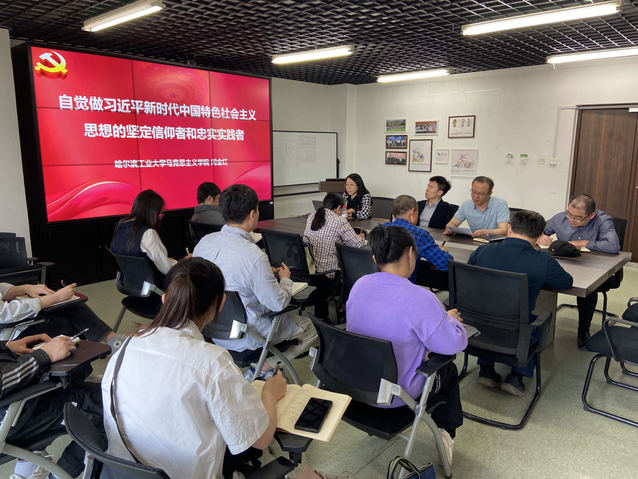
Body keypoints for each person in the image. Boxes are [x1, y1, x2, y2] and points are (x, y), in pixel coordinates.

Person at [101, 257, 288, 478]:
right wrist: (269, 393)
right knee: (273, 445)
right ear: (221, 303)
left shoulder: (126, 346)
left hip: (123, 471)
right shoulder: (212, 362)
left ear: (164, 299)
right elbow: (260, 439)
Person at [346, 225, 467, 466]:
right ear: (411, 253)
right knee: (448, 369)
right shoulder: (421, 298)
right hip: (396, 397)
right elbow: (453, 344)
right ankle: (445, 435)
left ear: (374, 258)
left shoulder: (360, 285)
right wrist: (448, 320)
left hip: (357, 387)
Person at [193, 185, 317, 372]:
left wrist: (264, 273)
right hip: (248, 335)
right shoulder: (253, 256)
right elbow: (277, 303)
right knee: (312, 330)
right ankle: (266, 367)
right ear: (252, 214)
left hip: (212, 328)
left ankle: (264, 368)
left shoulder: (204, 243)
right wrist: (285, 279)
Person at [468, 210, 573, 395]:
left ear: (509, 228)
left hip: (476, 322)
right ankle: (516, 377)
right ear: (539, 236)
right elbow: (566, 282)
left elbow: (470, 273)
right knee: (537, 322)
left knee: (491, 311)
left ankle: (486, 370)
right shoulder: (542, 260)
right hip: (515, 327)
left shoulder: (483, 250)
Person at [3, 334, 103, 479]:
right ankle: (58, 475)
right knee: (110, 407)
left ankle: (26, 470)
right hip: (13, 413)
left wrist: (6, 347)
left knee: (76, 369)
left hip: (13, 405)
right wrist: (43, 355)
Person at [538, 194, 620, 348]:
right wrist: (540, 236)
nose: (571, 220)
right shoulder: (561, 217)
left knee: (589, 288)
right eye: (569, 214)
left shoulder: (603, 220)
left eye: (578, 218)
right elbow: (537, 231)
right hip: (565, 264)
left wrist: (583, 243)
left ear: (591, 215)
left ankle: (583, 329)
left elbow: (613, 246)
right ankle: (540, 326)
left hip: (595, 267)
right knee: (537, 277)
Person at [1, 281, 123, 349]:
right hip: (9, 332)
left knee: (72, 305)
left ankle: (113, 340)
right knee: (71, 324)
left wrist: (26, 288)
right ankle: (113, 342)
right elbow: (4, 313)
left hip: (12, 321)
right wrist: (55, 298)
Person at [303, 193, 365, 319]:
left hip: (309, 270)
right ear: (338, 208)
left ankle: (322, 316)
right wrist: (362, 237)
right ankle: (344, 311)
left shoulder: (312, 216)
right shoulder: (339, 221)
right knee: (349, 276)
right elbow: (358, 244)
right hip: (328, 275)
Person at [110, 189, 178, 281]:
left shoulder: (120, 226)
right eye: (159, 214)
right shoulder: (148, 234)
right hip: (153, 283)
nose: (160, 218)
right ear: (151, 213)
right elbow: (166, 269)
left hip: (129, 281)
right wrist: (180, 262)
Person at [384, 195, 453, 284]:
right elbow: (445, 263)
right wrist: (442, 251)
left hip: (377, 285)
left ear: (393, 213)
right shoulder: (419, 235)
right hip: (405, 287)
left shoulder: (380, 229)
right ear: (412, 212)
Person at [444, 176, 509, 237]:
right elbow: (453, 223)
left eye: (481, 194)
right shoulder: (466, 205)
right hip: (474, 241)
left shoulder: (500, 204)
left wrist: (485, 232)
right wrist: (449, 228)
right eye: (473, 192)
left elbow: (504, 230)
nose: (476, 196)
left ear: (490, 193)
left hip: (495, 242)